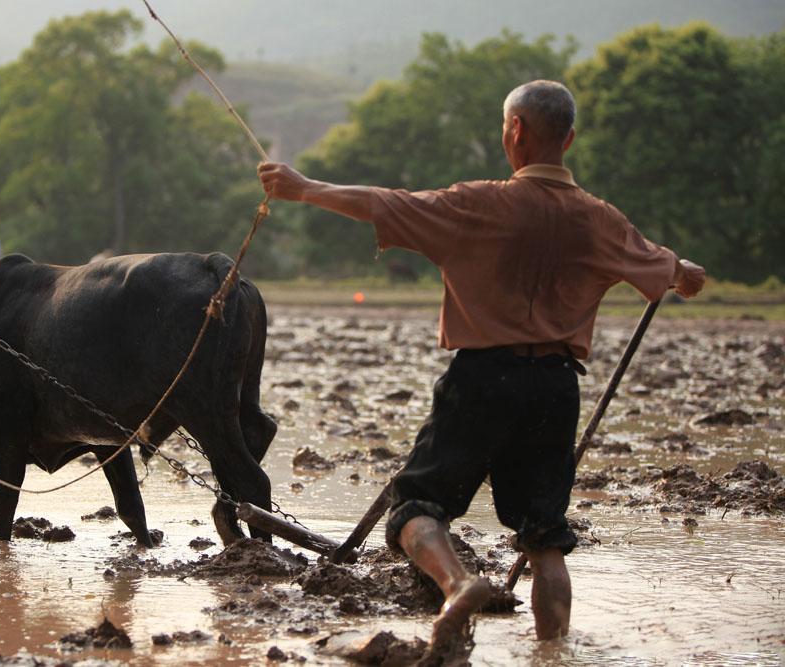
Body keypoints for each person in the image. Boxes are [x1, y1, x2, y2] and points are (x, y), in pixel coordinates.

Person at [258, 80, 705, 655]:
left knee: (414, 509)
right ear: (568, 138)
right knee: (545, 539)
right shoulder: (601, 220)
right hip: (555, 387)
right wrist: (682, 271)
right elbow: (677, 275)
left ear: (514, 130)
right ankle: (553, 652)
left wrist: (303, 188)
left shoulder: (478, 202)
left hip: (483, 380)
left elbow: (383, 202)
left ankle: (458, 582)